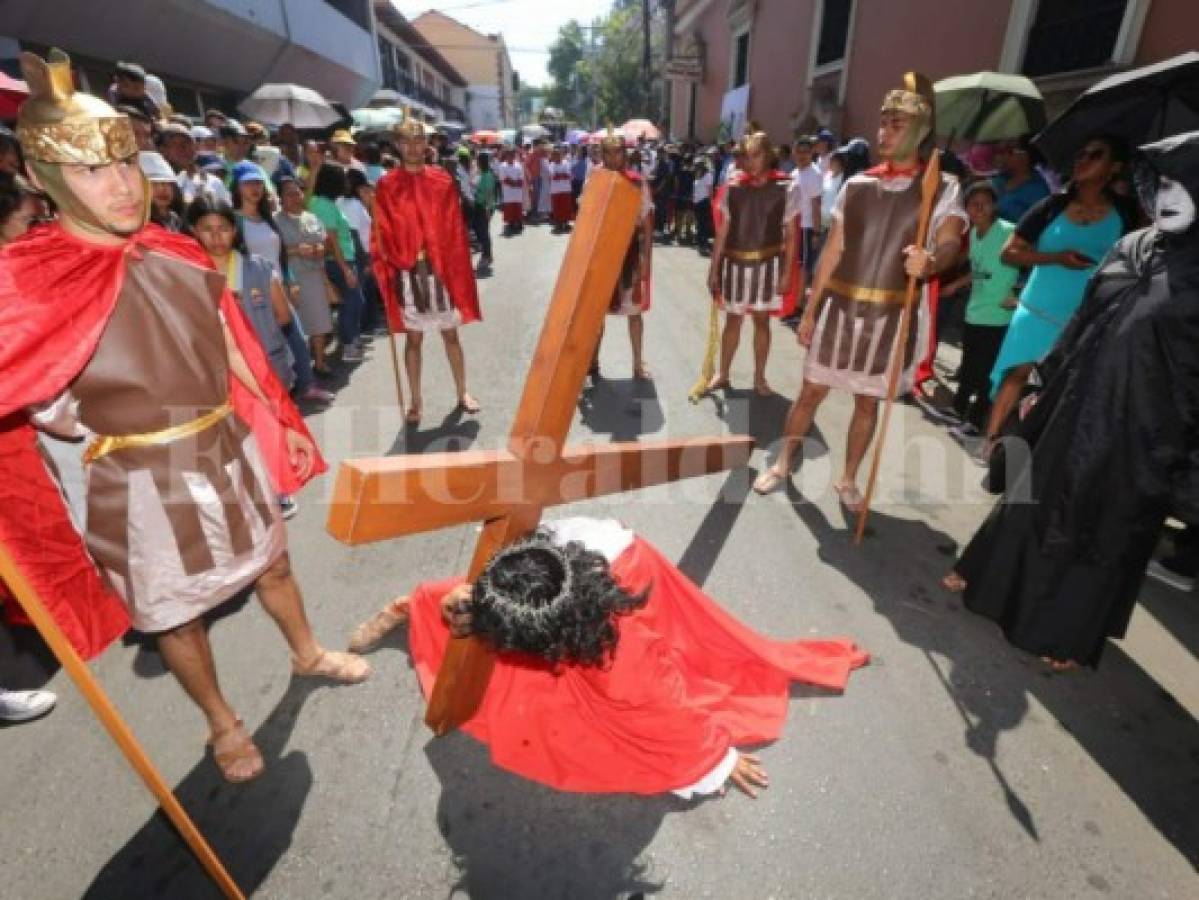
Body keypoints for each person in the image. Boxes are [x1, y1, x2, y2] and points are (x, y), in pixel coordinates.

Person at [2, 50, 369, 783]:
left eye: (127, 166)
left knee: (272, 562)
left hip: (223, 447)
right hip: (137, 471)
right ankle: (221, 724)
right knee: (175, 611)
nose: (120, 186)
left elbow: (232, 342)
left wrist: (276, 422)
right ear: (47, 180)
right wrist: (72, 413)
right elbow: (27, 380)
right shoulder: (27, 276)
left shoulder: (175, 247)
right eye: (93, 171)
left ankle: (306, 652)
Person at [348, 516, 869, 796]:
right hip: (552, 573)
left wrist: (719, 758)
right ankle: (403, 608)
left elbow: (669, 710)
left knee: (625, 688)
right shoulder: (537, 556)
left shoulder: (620, 647)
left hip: (620, 574)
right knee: (447, 597)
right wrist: (465, 602)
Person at [943, 132, 1199, 670]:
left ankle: (1067, 637)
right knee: (1031, 498)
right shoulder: (1133, 245)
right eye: (1163, 183)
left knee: (1096, 533)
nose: (1170, 196)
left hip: (1141, 436)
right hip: (1075, 402)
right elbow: (1084, 321)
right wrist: (1043, 381)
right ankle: (990, 583)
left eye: (1186, 184)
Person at [755, 74, 967, 504]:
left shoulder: (941, 188)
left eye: (896, 124)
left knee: (867, 404)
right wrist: (810, 311)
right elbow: (832, 253)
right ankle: (782, 460)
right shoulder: (857, 185)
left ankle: (848, 477)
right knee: (811, 390)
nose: (883, 132)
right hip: (840, 309)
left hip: (889, 318)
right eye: (882, 122)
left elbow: (949, 243)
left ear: (922, 131)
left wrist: (929, 262)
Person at [982, 135, 1129, 458]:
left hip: (1084, 318)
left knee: (1059, 388)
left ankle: (1036, 449)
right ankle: (992, 443)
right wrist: (1056, 258)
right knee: (1016, 373)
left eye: (1095, 155)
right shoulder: (1053, 205)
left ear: (1114, 167)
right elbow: (1010, 254)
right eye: (1080, 154)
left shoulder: (1126, 214)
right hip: (1036, 307)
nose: (1082, 160)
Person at [372, 117, 483, 424]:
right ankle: (416, 401)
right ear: (397, 145)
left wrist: (452, 263)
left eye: (418, 140)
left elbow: (453, 228)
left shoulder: (442, 180)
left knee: (450, 335)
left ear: (427, 143)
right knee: (414, 339)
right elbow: (382, 230)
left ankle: (463, 391)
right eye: (405, 141)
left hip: (440, 270)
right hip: (409, 273)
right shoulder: (386, 185)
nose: (412, 147)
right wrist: (394, 258)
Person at [704, 125, 802, 397]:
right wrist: (714, 269)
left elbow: (792, 235)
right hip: (735, 265)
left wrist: (786, 275)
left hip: (767, 267)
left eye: (756, 155)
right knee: (733, 321)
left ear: (768, 155)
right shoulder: (734, 188)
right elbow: (723, 231)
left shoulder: (785, 187)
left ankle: (760, 377)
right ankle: (723, 373)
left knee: (761, 322)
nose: (750, 161)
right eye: (746, 156)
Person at [941, 181, 1019, 437]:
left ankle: (975, 422)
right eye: (973, 204)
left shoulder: (1009, 231)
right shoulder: (974, 234)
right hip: (975, 310)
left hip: (998, 315)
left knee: (987, 371)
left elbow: (1032, 261)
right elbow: (977, 271)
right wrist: (955, 285)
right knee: (969, 364)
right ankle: (958, 407)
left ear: (994, 205)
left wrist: (1019, 292)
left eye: (984, 202)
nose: (978, 208)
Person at [589, 129, 655, 381]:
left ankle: (637, 364)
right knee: (595, 316)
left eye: (618, 152)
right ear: (602, 154)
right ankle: (592, 361)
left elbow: (647, 224)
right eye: (608, 152)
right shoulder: (594, 180)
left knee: (634, 312)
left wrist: (646, 260)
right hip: (601, 256)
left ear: (624, 153)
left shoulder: (637, 182)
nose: (614, 157)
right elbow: (586, 219)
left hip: (629, 255)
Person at [276, 175, 335, 376]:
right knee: (295, 324)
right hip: (290, 278)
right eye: (289, 194)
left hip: (314, 276)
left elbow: (326, 244)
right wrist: (295, 250)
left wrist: (320, 249)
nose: (294, 197)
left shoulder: (312, 217)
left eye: (297, 192)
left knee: (319, 322)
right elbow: (274, 250)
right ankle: (298, 369)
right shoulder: (275, 221)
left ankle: (319, 362)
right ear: (281, 198)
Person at [309, 162, 366, 362]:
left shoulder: (326, 203)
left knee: (352, 302)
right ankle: (349, 345)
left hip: (342, 258)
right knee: (352, 302)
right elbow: (331, 240)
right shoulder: (323, 204)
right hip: (338, 261)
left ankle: (350, 340)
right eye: (343, 177)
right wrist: (345, 269)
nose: (346, 182)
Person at [991, 135, 1050, 225]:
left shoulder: (1038, 191)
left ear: (1026, 156)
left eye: (1010, 151)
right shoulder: (1000, 178)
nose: (1003, 155)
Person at [790, 135, 824, 280]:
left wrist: (816, 233)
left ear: (812, 153)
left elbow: (816, 205)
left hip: (806, 226)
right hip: (793, 224)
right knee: (793, 262)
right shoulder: (794, 173)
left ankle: (799, 300)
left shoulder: (814, 174)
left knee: (803, 264)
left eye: (806, 152)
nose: (802, 155)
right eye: (799, 151)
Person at [139, 151, 184, 232]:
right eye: (154, 184)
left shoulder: (178, 220)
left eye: (167, 184)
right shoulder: (138, 224)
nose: (162, 189)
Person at [470, 150, 499, 272]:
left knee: (484, 232)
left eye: (478, 160)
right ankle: (487, 254)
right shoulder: (483, 173)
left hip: (484, 207)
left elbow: (488, 194)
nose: (476, 162)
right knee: (480, 230)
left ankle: (487, 256)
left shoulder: (487, 175)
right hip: (480, 206)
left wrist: (487, 209)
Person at [498, 147, 526, 236]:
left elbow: (521, 177)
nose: (511, 156)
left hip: (517, 191)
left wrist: (517, 183)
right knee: (509, 208)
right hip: (508, 191)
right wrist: (512, 183)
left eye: (512, 155)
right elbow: (503, 178)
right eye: (509, 155)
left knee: (518, 207)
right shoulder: (502, 166)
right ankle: (510, 223)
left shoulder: (518, 165)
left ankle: (518, 221)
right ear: (506, 156)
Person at [547, 146, 575, 234]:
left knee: (566, 207)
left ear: (561, 155)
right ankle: (558, 223)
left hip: (566, 189)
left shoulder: (566, 163)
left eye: (558, 155)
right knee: (557, 207)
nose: (556, 157)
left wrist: (561, 175)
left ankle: (566, 223)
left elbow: (569, 176)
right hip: (555, 190)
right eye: (554, 155)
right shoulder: (551, 165)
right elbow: (553, 176)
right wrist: (562, 175)